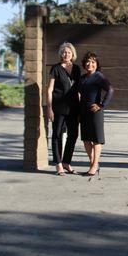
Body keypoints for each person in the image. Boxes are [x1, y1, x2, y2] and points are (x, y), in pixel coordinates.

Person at [46, 42, 81, 176]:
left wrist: (80, 107)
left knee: (73, 134)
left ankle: (66, 162)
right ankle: (58, 164)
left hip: (73, 107)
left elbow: (78, 90)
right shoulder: (56, 68)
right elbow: (49, 90)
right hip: (58, 106)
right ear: (61, 54)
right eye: (64, 52)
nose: (66, 54)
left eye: (69, 52)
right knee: (57, 134)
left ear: (73, 54)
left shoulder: (77, 69)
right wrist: (49, 108)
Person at [78, 51, 113, 176]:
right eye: (88, 61)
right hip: (83, 112)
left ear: (96, 64)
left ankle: (94, 166)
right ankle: (94, 164)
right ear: (84, 63)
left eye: (93, 62)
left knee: (96, 140)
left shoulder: (99, 76)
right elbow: (78, 94)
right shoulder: (82, 78)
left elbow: (110, 90)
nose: (90, 64)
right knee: (86, 140)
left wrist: (101, 105)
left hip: (96, 113)